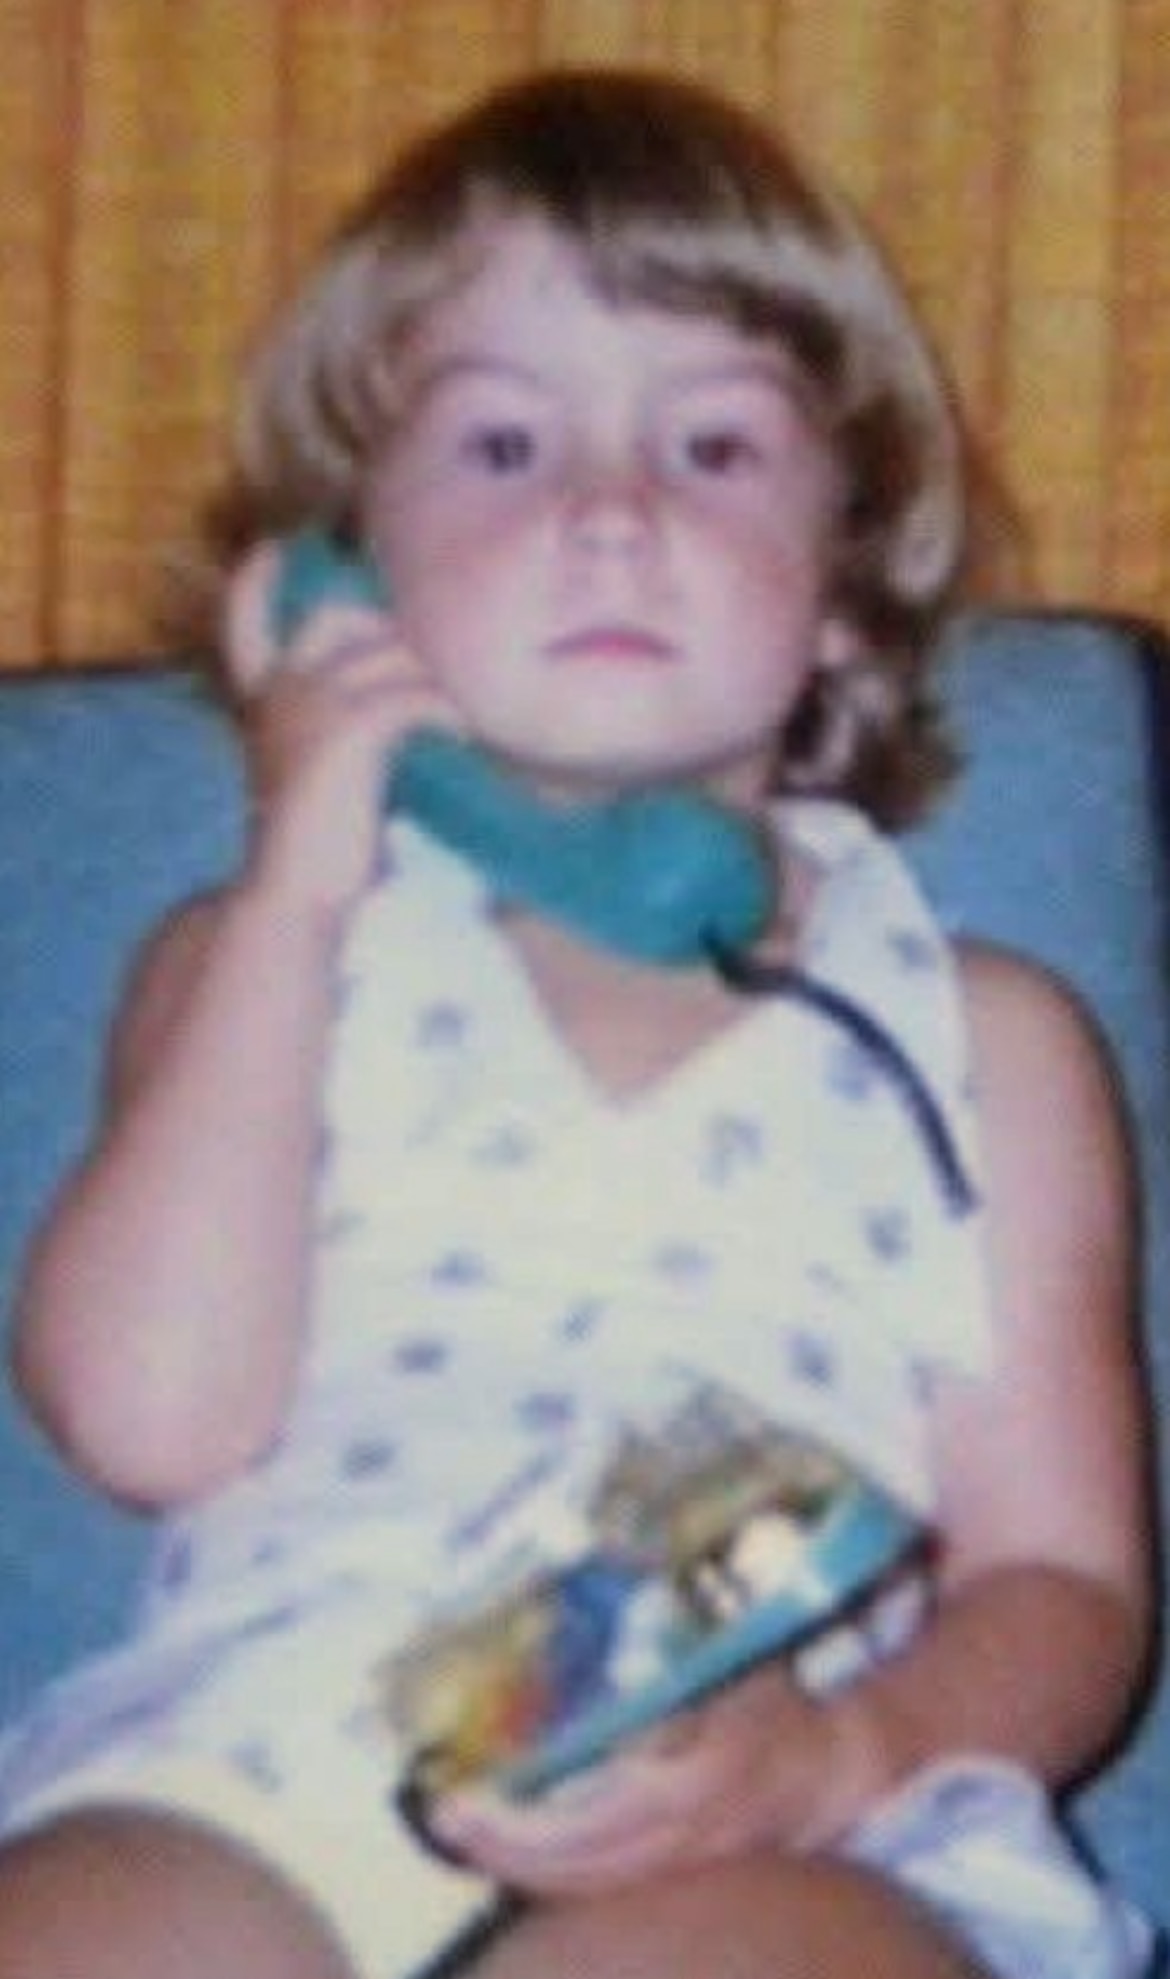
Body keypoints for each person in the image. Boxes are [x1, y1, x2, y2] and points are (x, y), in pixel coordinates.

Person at [0, 65, 1157, 1979]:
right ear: (343, 575)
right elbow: (145, 1414)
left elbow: (1061, 1582)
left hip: (778, 1802)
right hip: (266, 1756)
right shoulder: (258, 961)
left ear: (843, 592)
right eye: (501, 444)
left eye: (710, 447)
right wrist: (300, 882)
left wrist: (842, 1758)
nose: (609, 513)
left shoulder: (981, 1042)